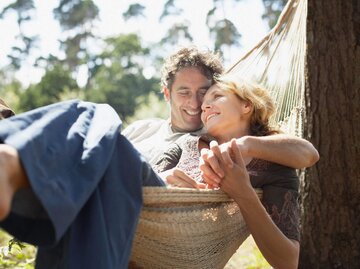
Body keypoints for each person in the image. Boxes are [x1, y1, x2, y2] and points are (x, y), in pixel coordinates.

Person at [155, 74, 311, 268]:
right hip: (144, 241)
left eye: (217, 96)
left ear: (246, 105)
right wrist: (160, 179)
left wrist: (243, 192)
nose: (204, 106)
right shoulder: (186, 144)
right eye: (204, 104)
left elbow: (288, 261)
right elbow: (137, 181)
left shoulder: (274, 168)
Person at [124, 46, 319, 173]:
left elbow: (306, 153)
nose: (195, 103)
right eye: (184, 92)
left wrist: (246, 144)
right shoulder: (140, 129)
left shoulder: (213, 139)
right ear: (167, 94)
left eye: (204, 92)